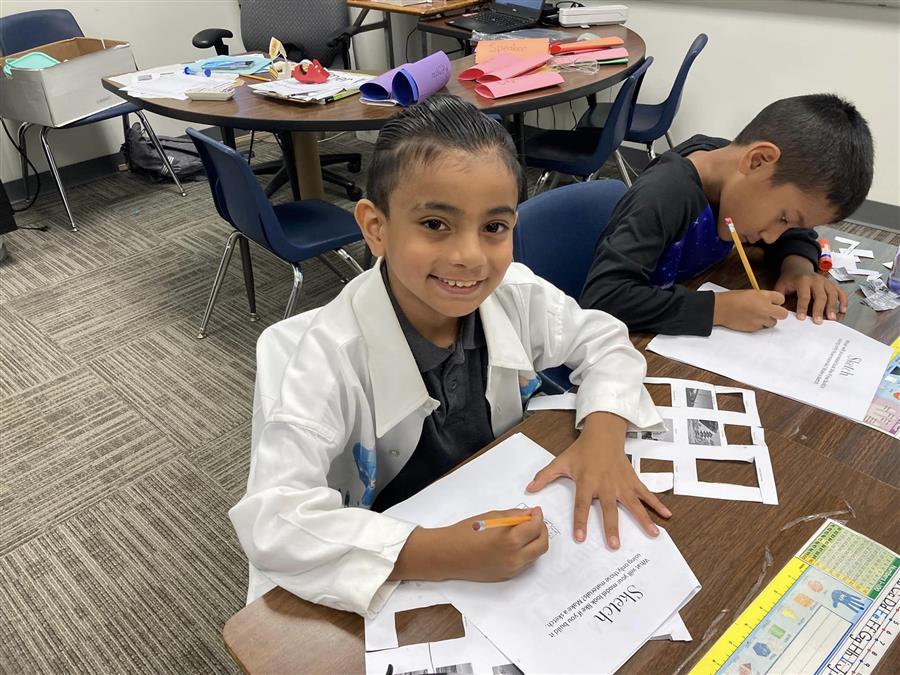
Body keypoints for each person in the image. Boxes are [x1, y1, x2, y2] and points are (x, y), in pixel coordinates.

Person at [230, 95, 667, 616]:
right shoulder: (313, 358)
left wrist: (603, 434)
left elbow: (606, 340)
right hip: (389, 559)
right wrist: (434, 553)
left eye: (494, 227)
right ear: (376, 227)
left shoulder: (514, 295)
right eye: (436, 224)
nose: (470, 257)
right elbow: (274, 519)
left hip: (484, 504)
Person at [580, 94, 874, 335]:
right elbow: (604, 297)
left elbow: (799, 233)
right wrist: (718, 309)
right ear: (758, 161)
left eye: (787, 225)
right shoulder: (665, 194)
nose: (773, 236)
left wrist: (798, 269)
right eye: (783, 218)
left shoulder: (735, 175)